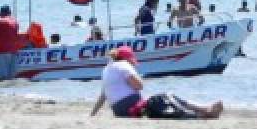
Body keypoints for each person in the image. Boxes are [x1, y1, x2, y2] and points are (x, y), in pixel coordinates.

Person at [91, 46, 224, 119]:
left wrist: (92, 114)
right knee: (167, 97)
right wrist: (136, 75)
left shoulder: (107, 69)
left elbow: (103, 96)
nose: (133, 63)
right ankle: (206, 110)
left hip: (119, 111)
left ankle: (204, 110)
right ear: (127, 58)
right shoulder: (124, 65)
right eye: (132, 60)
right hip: (131, 108)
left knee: (165, 103)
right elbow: (139, 86)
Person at [0, 6, 21, 80]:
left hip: (2, 52)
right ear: (9, 13)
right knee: (12, 78)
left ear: (1, 13)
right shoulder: (15, 22)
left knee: (1, 78)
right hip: (14, 52)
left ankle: (2, 91)